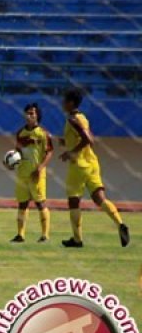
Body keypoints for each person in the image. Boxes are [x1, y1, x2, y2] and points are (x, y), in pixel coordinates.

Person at [59, 89, 130, 248]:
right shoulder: (82, 118)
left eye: (64, 100)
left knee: (73, 201)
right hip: (91, 163)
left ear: (71, 103)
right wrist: (66, 143)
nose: (62, 103)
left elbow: (88, 139)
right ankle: (120, 224)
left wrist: (71, 152)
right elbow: (85, 137)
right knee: (100, 198)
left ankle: (77, 239)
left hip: (78, 165)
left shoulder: (72, 119)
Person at [10, 103, 53, 243]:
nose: (29, 116)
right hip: (22, 173)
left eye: (32, 113)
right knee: (22, 204)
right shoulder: (20, 133)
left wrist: (40, 167)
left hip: (36, 174)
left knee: (40, 203)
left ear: (37, 116)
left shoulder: (43, 134)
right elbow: (17, 152)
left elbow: (49, 152)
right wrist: (11, 162)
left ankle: (45, 235)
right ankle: (20, 235)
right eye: (27, 113)